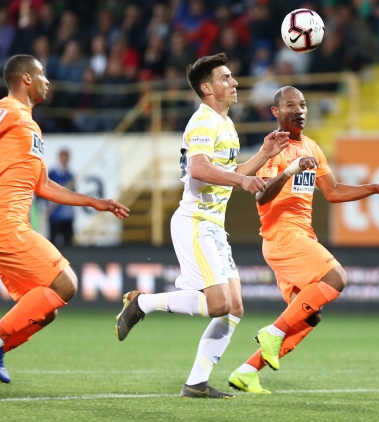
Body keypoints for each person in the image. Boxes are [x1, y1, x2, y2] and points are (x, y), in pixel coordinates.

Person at [0, 54, 129, 400]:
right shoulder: (6, 108)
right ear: (26, 78)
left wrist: (94, 202)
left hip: (6, 224)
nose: (47, 80)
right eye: (42, 73)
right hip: (0, 220)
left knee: (44, 311)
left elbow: (44, 186)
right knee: (66, 283)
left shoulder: (32, 127)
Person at [114, 53, 290, 399]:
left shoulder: (225, 123)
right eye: (225, 78)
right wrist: (242, 181)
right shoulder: (203, 122)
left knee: (234, 307)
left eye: (232, 77)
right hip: (195, 222)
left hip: (213, 226)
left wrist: (264, 155)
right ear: (207, 89)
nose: (234, 82)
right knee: (219, 304)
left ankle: (196, 382)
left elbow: (229, 174)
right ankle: (142, 303)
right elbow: (199, 168)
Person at [228, 86, 379, 394]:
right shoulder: (274, 148)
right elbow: (261, 196)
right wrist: (291, 169)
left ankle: (247, 372)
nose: (299, 110)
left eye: (302, 105)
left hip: (298, 236)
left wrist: (374, 187)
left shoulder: (311, 147)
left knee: (309, 316)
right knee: (336, 278)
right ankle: (273, 332)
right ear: (276, 112)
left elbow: (333, 192)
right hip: (283, 234)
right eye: (290, 105)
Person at [48, 149, 75, 247]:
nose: (64, 160)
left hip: (67, 215)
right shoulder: (52, 174)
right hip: (55, 214)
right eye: (63, 157)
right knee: (53, 244)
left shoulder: (70, 175)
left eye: (66, 158)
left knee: (69, 243)